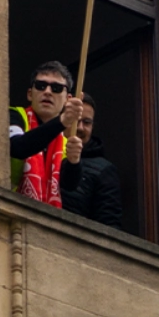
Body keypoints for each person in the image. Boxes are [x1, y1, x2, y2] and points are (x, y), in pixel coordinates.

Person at [8, 61, 84, 208]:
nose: (48, 91)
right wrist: (62, 121)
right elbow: (18, 146)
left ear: (68, 99)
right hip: (9, 211)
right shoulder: (15, 115)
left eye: (56, 88)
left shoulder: (64, 141)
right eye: (41, 86)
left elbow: (69, 185)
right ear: (30, 94)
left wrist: (75, 162)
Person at [59, 94, 123, 228]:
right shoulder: (44, 152)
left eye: (87, 122)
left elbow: (109, 227)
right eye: (75, 120)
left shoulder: (104, 170)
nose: (80, 128)